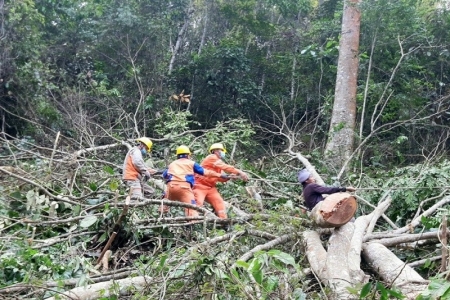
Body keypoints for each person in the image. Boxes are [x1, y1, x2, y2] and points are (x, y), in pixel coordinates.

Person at [163, 145, 227, 218]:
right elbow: (204, 172)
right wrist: (219, 175)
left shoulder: (172, 164)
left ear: (177, 155)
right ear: (188, 155)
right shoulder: (192, 163)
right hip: (184, 188)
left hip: (171, 187)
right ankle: (191, 222)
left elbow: (165, 175)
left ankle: (160, 218)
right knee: (192, 207)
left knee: (164, 203)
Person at [193, 143, 249, 219]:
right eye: (221, 150)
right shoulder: (212, 157)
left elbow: (219, 178)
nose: (223, 152)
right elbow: (225, 167)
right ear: (216, 151)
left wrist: (230, 177)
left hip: (210, 187)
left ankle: (223, 221)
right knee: (198, 204)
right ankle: (192, 222)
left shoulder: (217, 164)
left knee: (219, 203)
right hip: (200, 186)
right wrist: (240, 172)